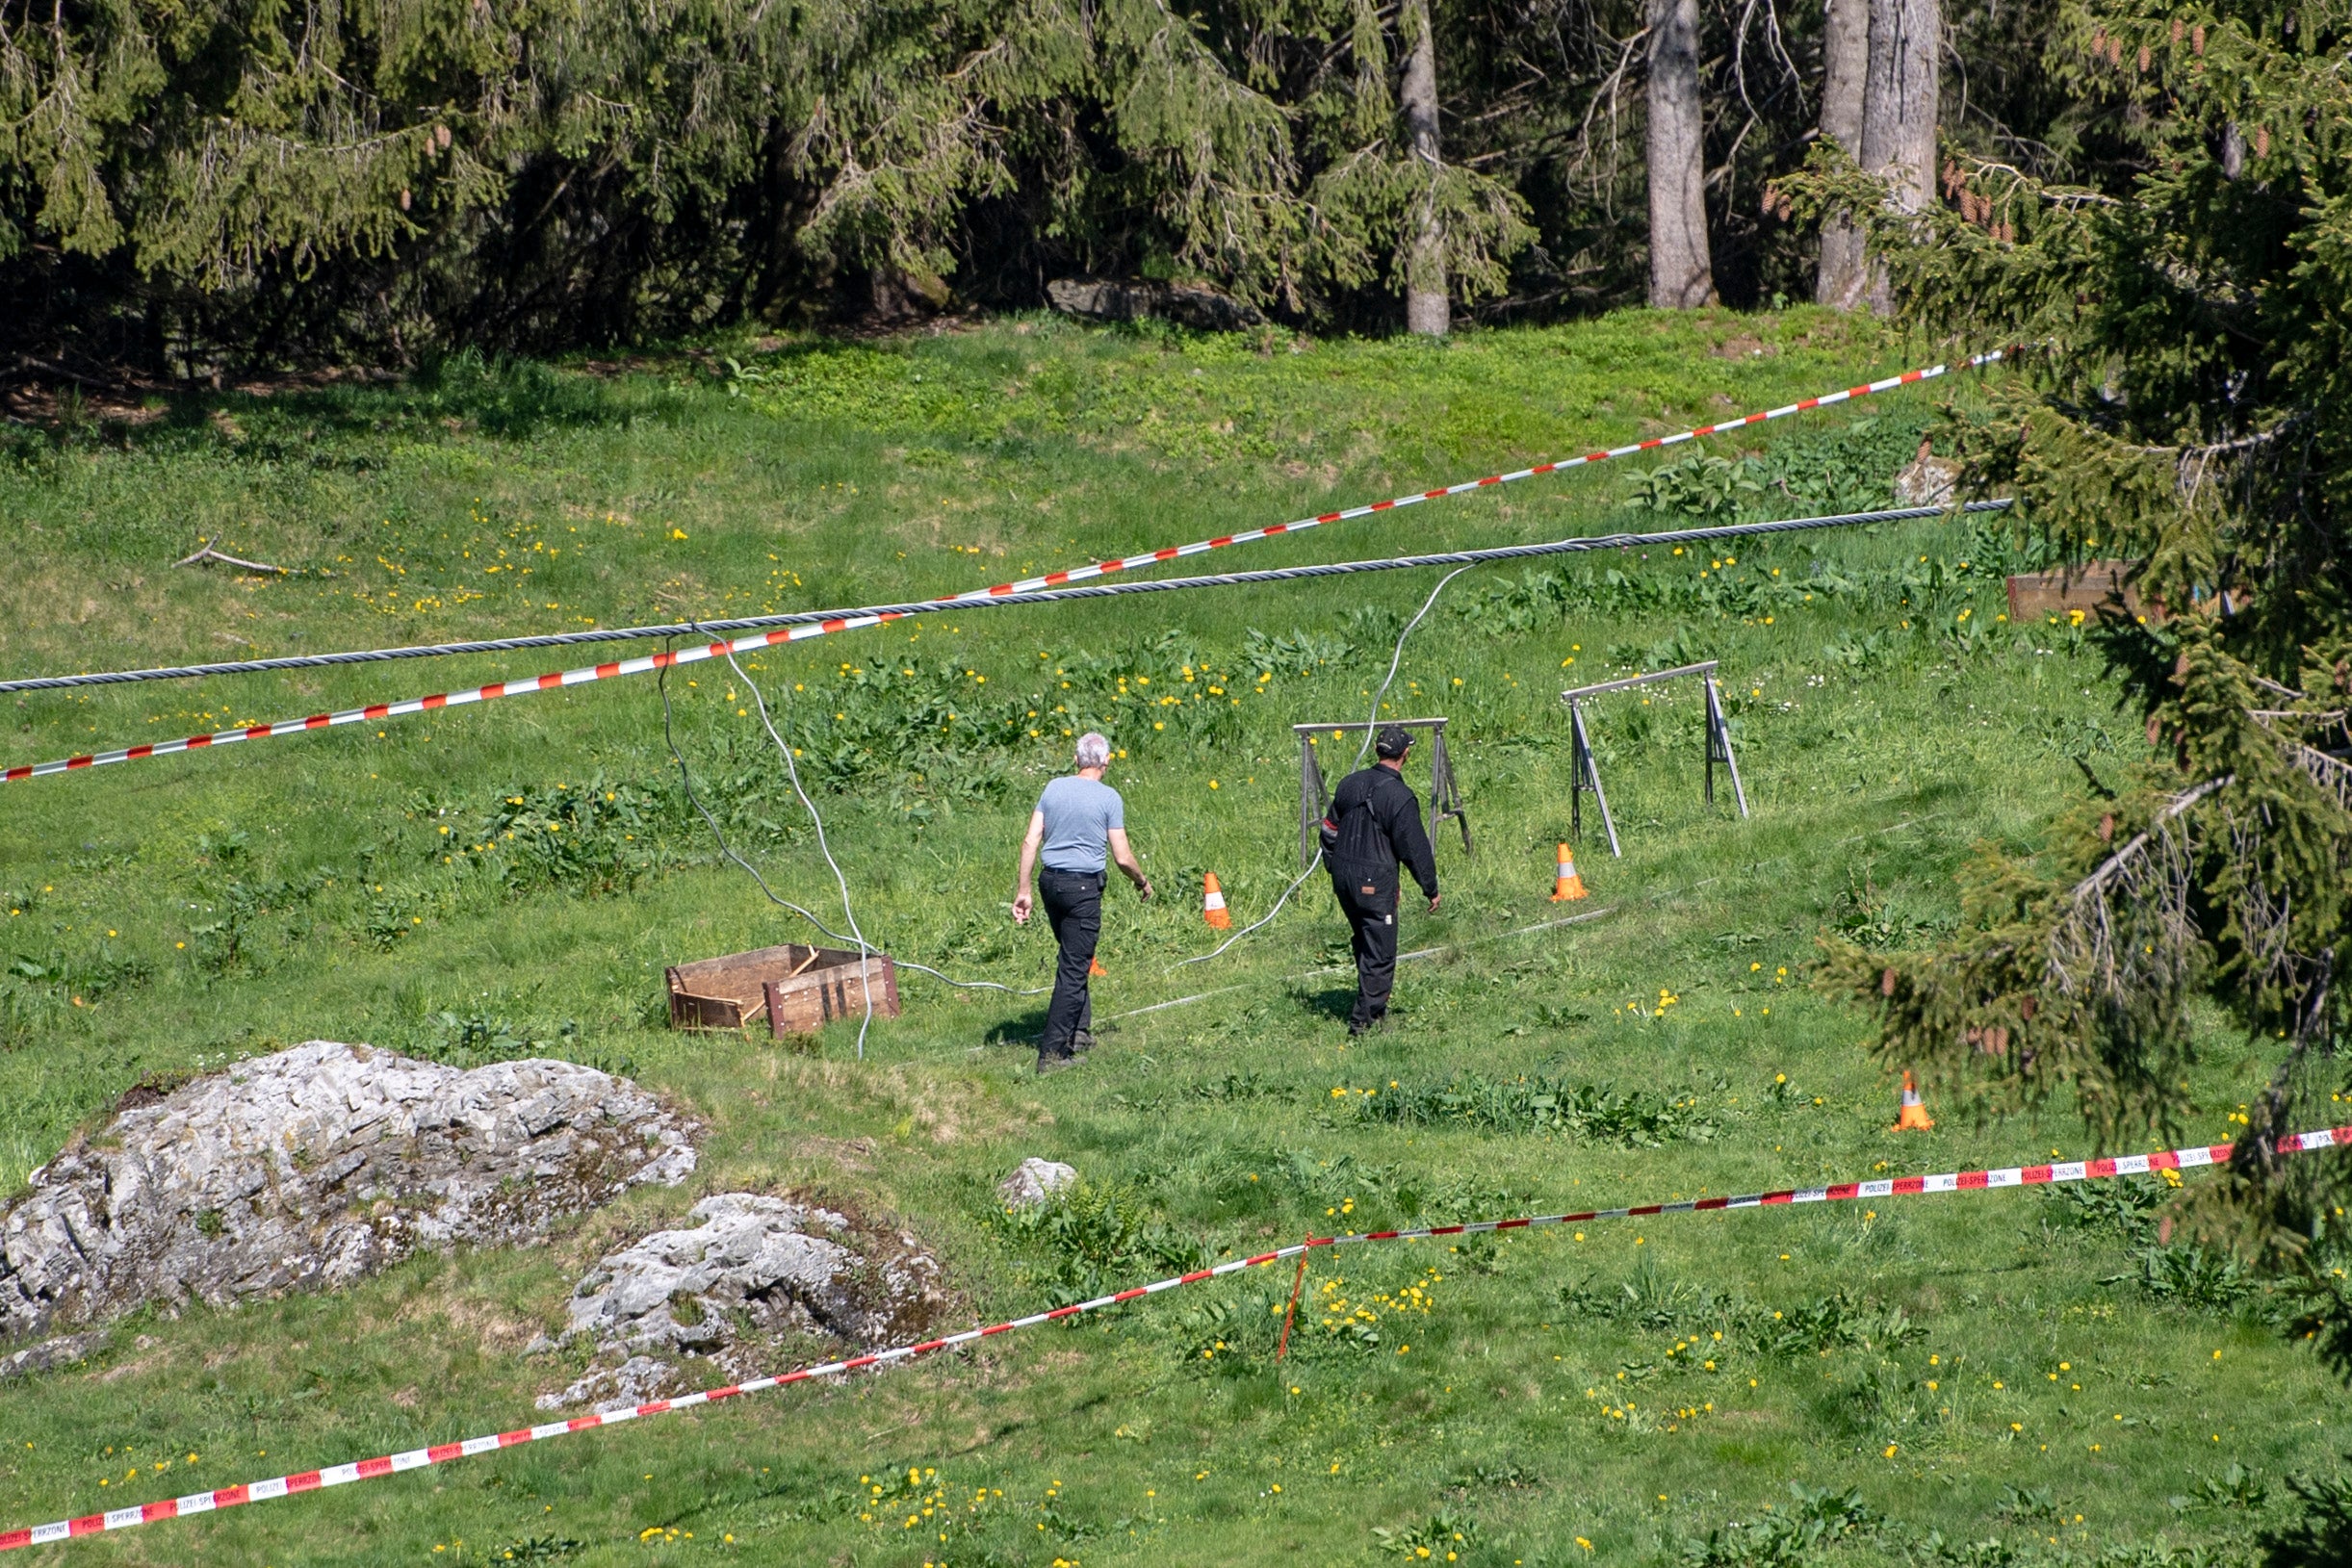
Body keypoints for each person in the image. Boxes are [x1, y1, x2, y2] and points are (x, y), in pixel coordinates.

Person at [1013, 733, 1152, 1072]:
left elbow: (1031, 839)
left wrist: (1024, 890)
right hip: (1082, 890)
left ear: (1076, 761)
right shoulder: (1109, 798)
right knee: (1074, 970)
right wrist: (1143, 881)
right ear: (1106, 763)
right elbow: (1122, 857)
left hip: (1049, 883)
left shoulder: (1053, 788)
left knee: (1073, 956)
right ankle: (1053, 1054)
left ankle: (1079, 1030)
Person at [1322, 725, 1439, 1035]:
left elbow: (1329, 830)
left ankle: (1374, 1005)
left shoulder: (1349, 784)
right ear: (1405, 754)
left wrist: (1333, 865)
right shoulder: (1400, 797)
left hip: (1343, 878)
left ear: (1377, 751)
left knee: (1365, 940)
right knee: (1381, 954)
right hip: (1374, 882)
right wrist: (1430, 888)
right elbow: (1415, 848)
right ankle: (1363, 1023)